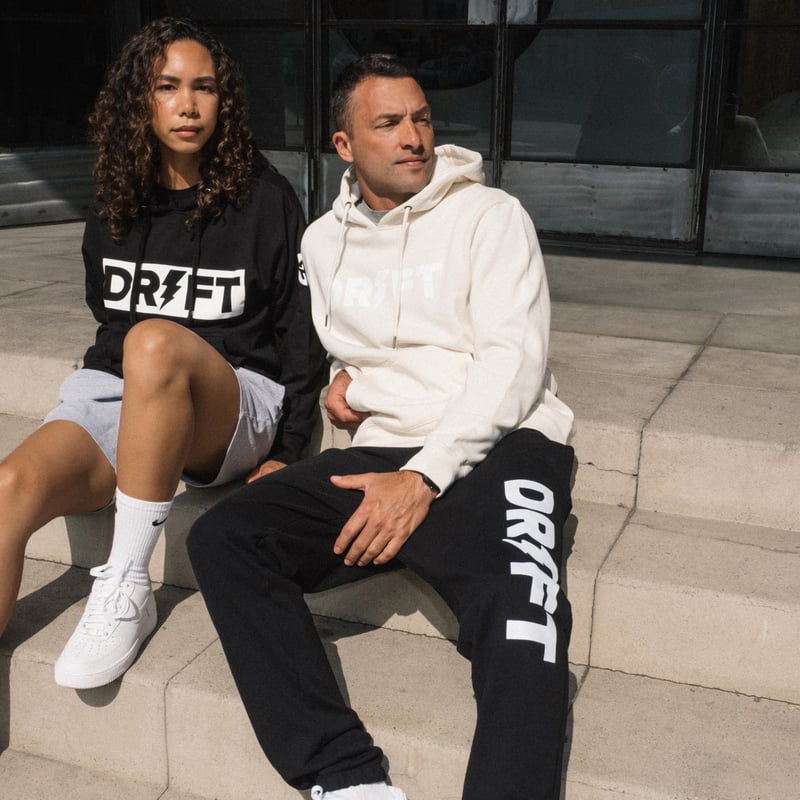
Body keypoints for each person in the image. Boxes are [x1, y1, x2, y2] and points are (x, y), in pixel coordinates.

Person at [188, 54, 575, 800]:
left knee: (524, 623)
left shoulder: (491, 216)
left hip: (506, 443)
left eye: (421, 119)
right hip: (383, 449)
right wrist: (343, 384)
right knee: (224, 536)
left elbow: (513, 363)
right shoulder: (321, 240)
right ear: (343, 144)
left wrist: (424, 477)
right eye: (389, 123)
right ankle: (344, 778)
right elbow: (339, 345)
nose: (414, 137)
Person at [0, 17, 325, 690]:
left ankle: (126, 581)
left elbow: (300, 332)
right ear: (139, 101)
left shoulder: (265, 200)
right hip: (128, 392)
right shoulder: (117, 199)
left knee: (152, 340)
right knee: (8, 488)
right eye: (168, 86)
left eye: (204, 87)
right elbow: (107, 322)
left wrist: (290, 450)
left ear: (223, 101)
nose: (188, 105)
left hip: (232, 401)